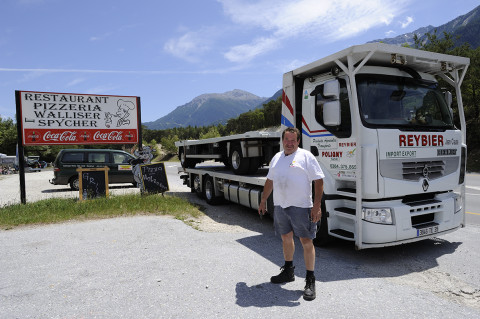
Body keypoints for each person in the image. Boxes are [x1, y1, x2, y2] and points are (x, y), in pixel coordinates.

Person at [258, 127, 324, 301]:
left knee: (306, 241)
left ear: (298, 141)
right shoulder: (277, 158)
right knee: (286, 238)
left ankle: (310, 280)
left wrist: (316, 206)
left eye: (292, 140)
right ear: (282, 140)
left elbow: (319, 180)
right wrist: (264, 200)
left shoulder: (306, 157)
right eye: (286, 140)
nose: (289, 143)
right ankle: (288, 271)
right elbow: (270, 181)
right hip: (280, 205)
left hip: (301, 207)